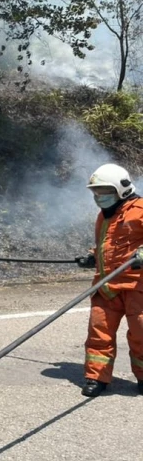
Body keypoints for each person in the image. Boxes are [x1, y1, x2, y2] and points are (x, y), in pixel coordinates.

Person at [76, 163, 143, 397]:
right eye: (97, 193)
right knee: (99, 332)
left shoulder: (141, 209)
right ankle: (97, 378)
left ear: (121, 189)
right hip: (106, 286)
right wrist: (91, 258)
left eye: (105, 192)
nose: (100, 197)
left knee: (141, 333)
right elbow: (105, 245)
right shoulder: (103, 217)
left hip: (137, 286)